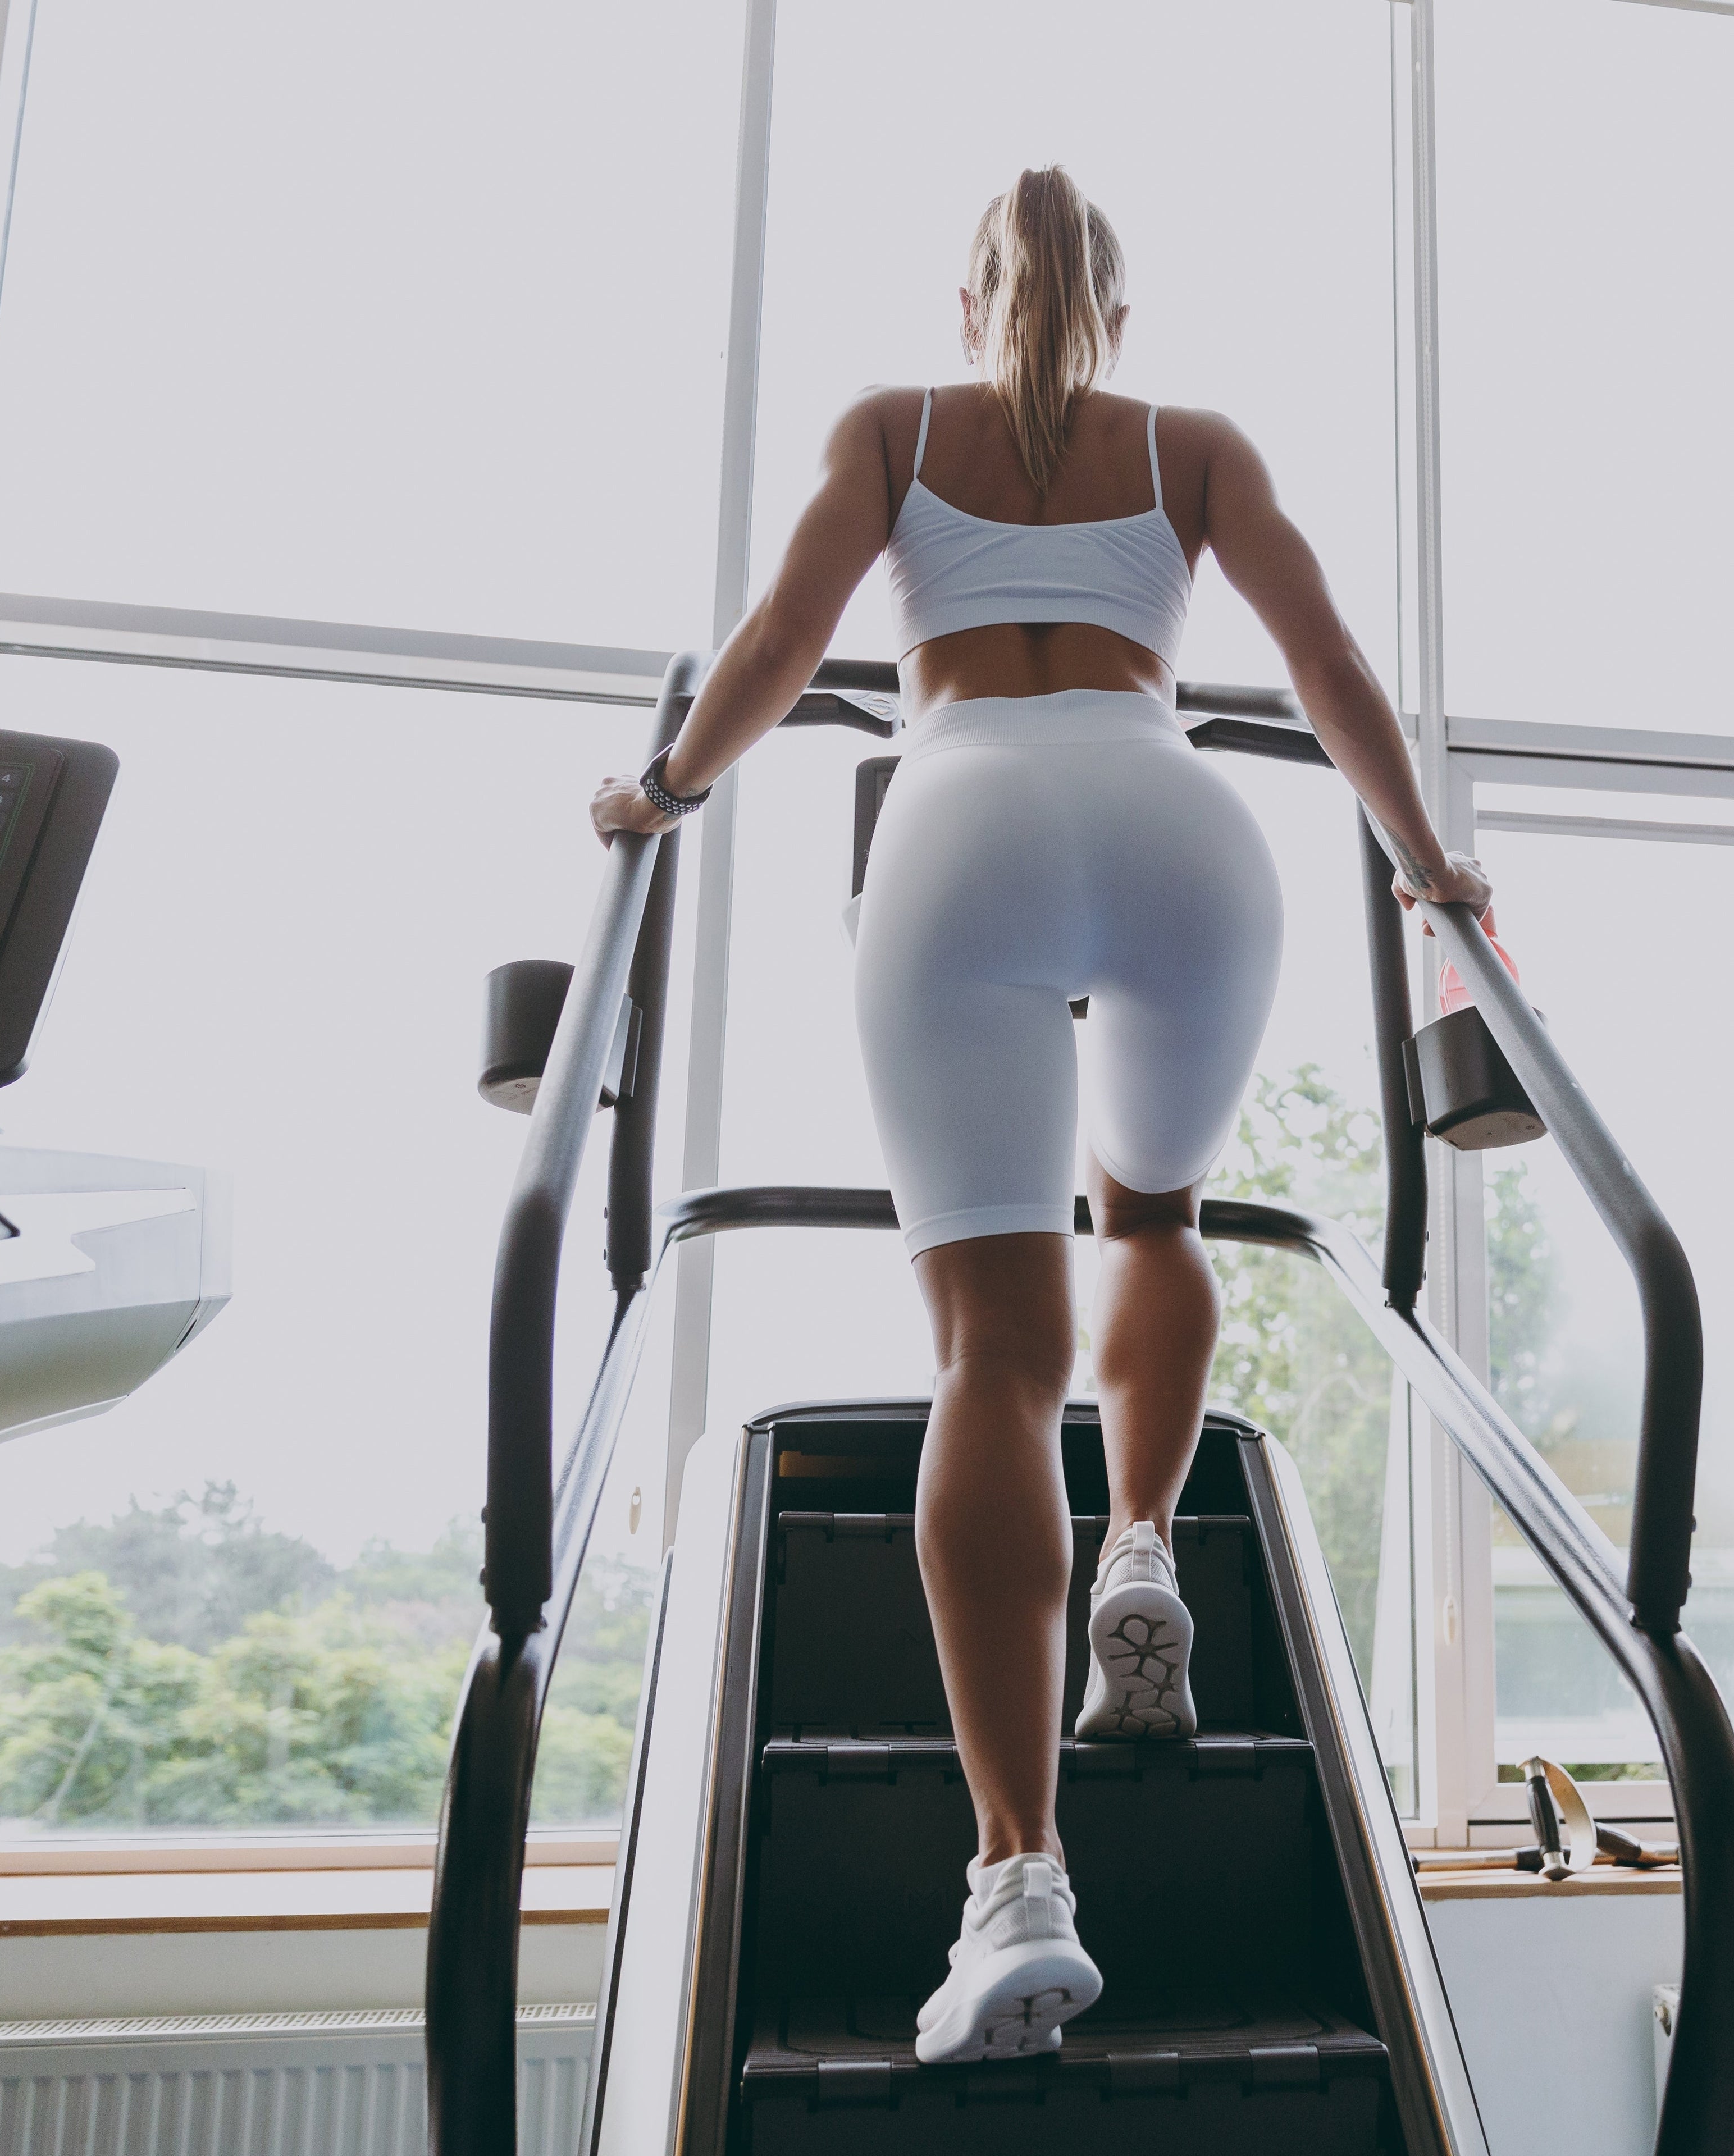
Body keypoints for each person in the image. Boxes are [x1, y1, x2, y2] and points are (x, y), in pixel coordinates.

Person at [590, 165, 1489, 2066]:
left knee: (994, 1353)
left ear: (970, 296)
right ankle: (1146, 1544)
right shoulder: (1198, 446)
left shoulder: (890, 429)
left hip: (962, 822)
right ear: (1120, 306)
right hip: (1179, 826)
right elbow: (1330, 671)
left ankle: (1016, 1881)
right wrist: (1430, 872)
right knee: (1151, 1217)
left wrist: (660, 797)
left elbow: (773, 644)